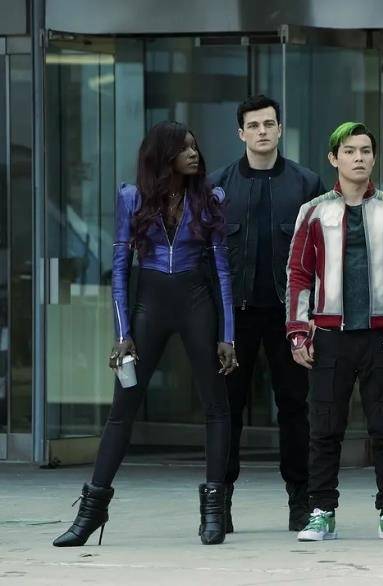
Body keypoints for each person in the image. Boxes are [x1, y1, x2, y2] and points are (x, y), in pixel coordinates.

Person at [54, 121, 238, 547]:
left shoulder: (210, 198)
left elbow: (223, 271)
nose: (194, 154)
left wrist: (228, 335)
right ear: (163, 155)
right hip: (148, 307)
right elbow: (120, 269)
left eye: (195, 146)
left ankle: (214, 511)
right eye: (184, 148)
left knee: (216, 406)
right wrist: (122, 332)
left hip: (197, 304)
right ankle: (91, 513)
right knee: (122, 410)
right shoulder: (130, 198)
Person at [286, 122, 383, 542]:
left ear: (374, 157)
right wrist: (297, 331)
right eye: (349, 151)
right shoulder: (314, 211)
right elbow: (298, 274)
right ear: (334, 158)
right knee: (324, 429)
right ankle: (321, 511)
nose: (358, 157)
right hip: (329, 336)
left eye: (365, 150)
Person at [209, 95, 324, 533]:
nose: (262, 131)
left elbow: (320, 254)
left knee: (295, 407)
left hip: (288, 316)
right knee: (227, 409)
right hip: (232, 318)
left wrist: (312, 315)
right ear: (241, 133)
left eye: (269, 124)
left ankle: (301, 499)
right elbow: (204, 256)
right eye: (254, 125)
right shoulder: (218, 186)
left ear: (279, 129)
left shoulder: (306, 183)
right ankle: (219, 501)